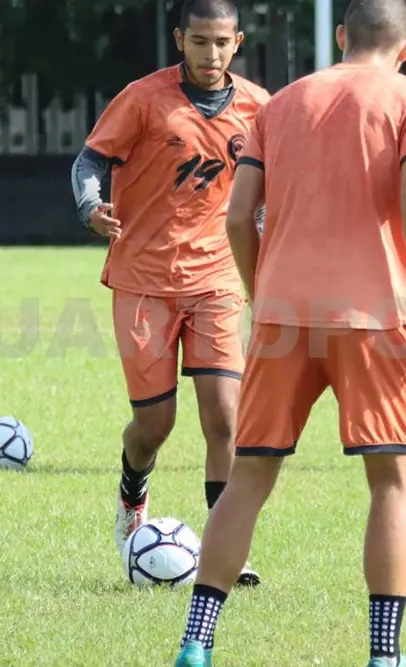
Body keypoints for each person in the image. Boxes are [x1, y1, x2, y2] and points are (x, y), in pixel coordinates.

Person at [172, 0, 406, 664]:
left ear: (343, 35)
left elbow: (240, 216)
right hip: (370, 315)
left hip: (280, 315)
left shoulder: (281, 103)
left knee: (247, 479)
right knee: (391, 482)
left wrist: (259, 288)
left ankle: (196, 641)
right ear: (405, 49)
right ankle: (384, 653)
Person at [69, 0, 268, 586]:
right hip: (143, 279)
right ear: (180, 39)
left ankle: (225, 549)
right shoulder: (144, 97)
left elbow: (281, 179)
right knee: (154, 426)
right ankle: (134, 489)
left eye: (222, 42)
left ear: (238, 41)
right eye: (200, 41)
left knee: (226, 419)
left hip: (217, 278)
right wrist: (90, 207)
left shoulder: (261, 107)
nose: (211, 54)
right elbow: (89, 160)